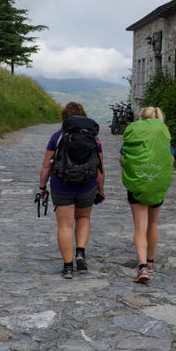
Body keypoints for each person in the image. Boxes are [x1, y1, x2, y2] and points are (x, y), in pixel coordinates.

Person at [37, 101, 105, 279]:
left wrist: (42, 188)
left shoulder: (57, 137)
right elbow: (100, 168)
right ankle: (80, 252)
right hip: (87, 185)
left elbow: (46, 166)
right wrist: (100, 189)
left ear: (64, 118)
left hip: (62, 184)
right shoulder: (93, 138)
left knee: (65, 225)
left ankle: (67, 267)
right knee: (83, 217)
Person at [119, 106, 174, 284]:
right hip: (157, 184)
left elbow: (123, 158)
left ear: (141, 117)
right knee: (153, 223)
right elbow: (171, 160)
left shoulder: (135, 134)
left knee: (139, 227)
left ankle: (142, 267)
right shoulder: (163, 136)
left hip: (137, 184)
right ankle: (150, 262)